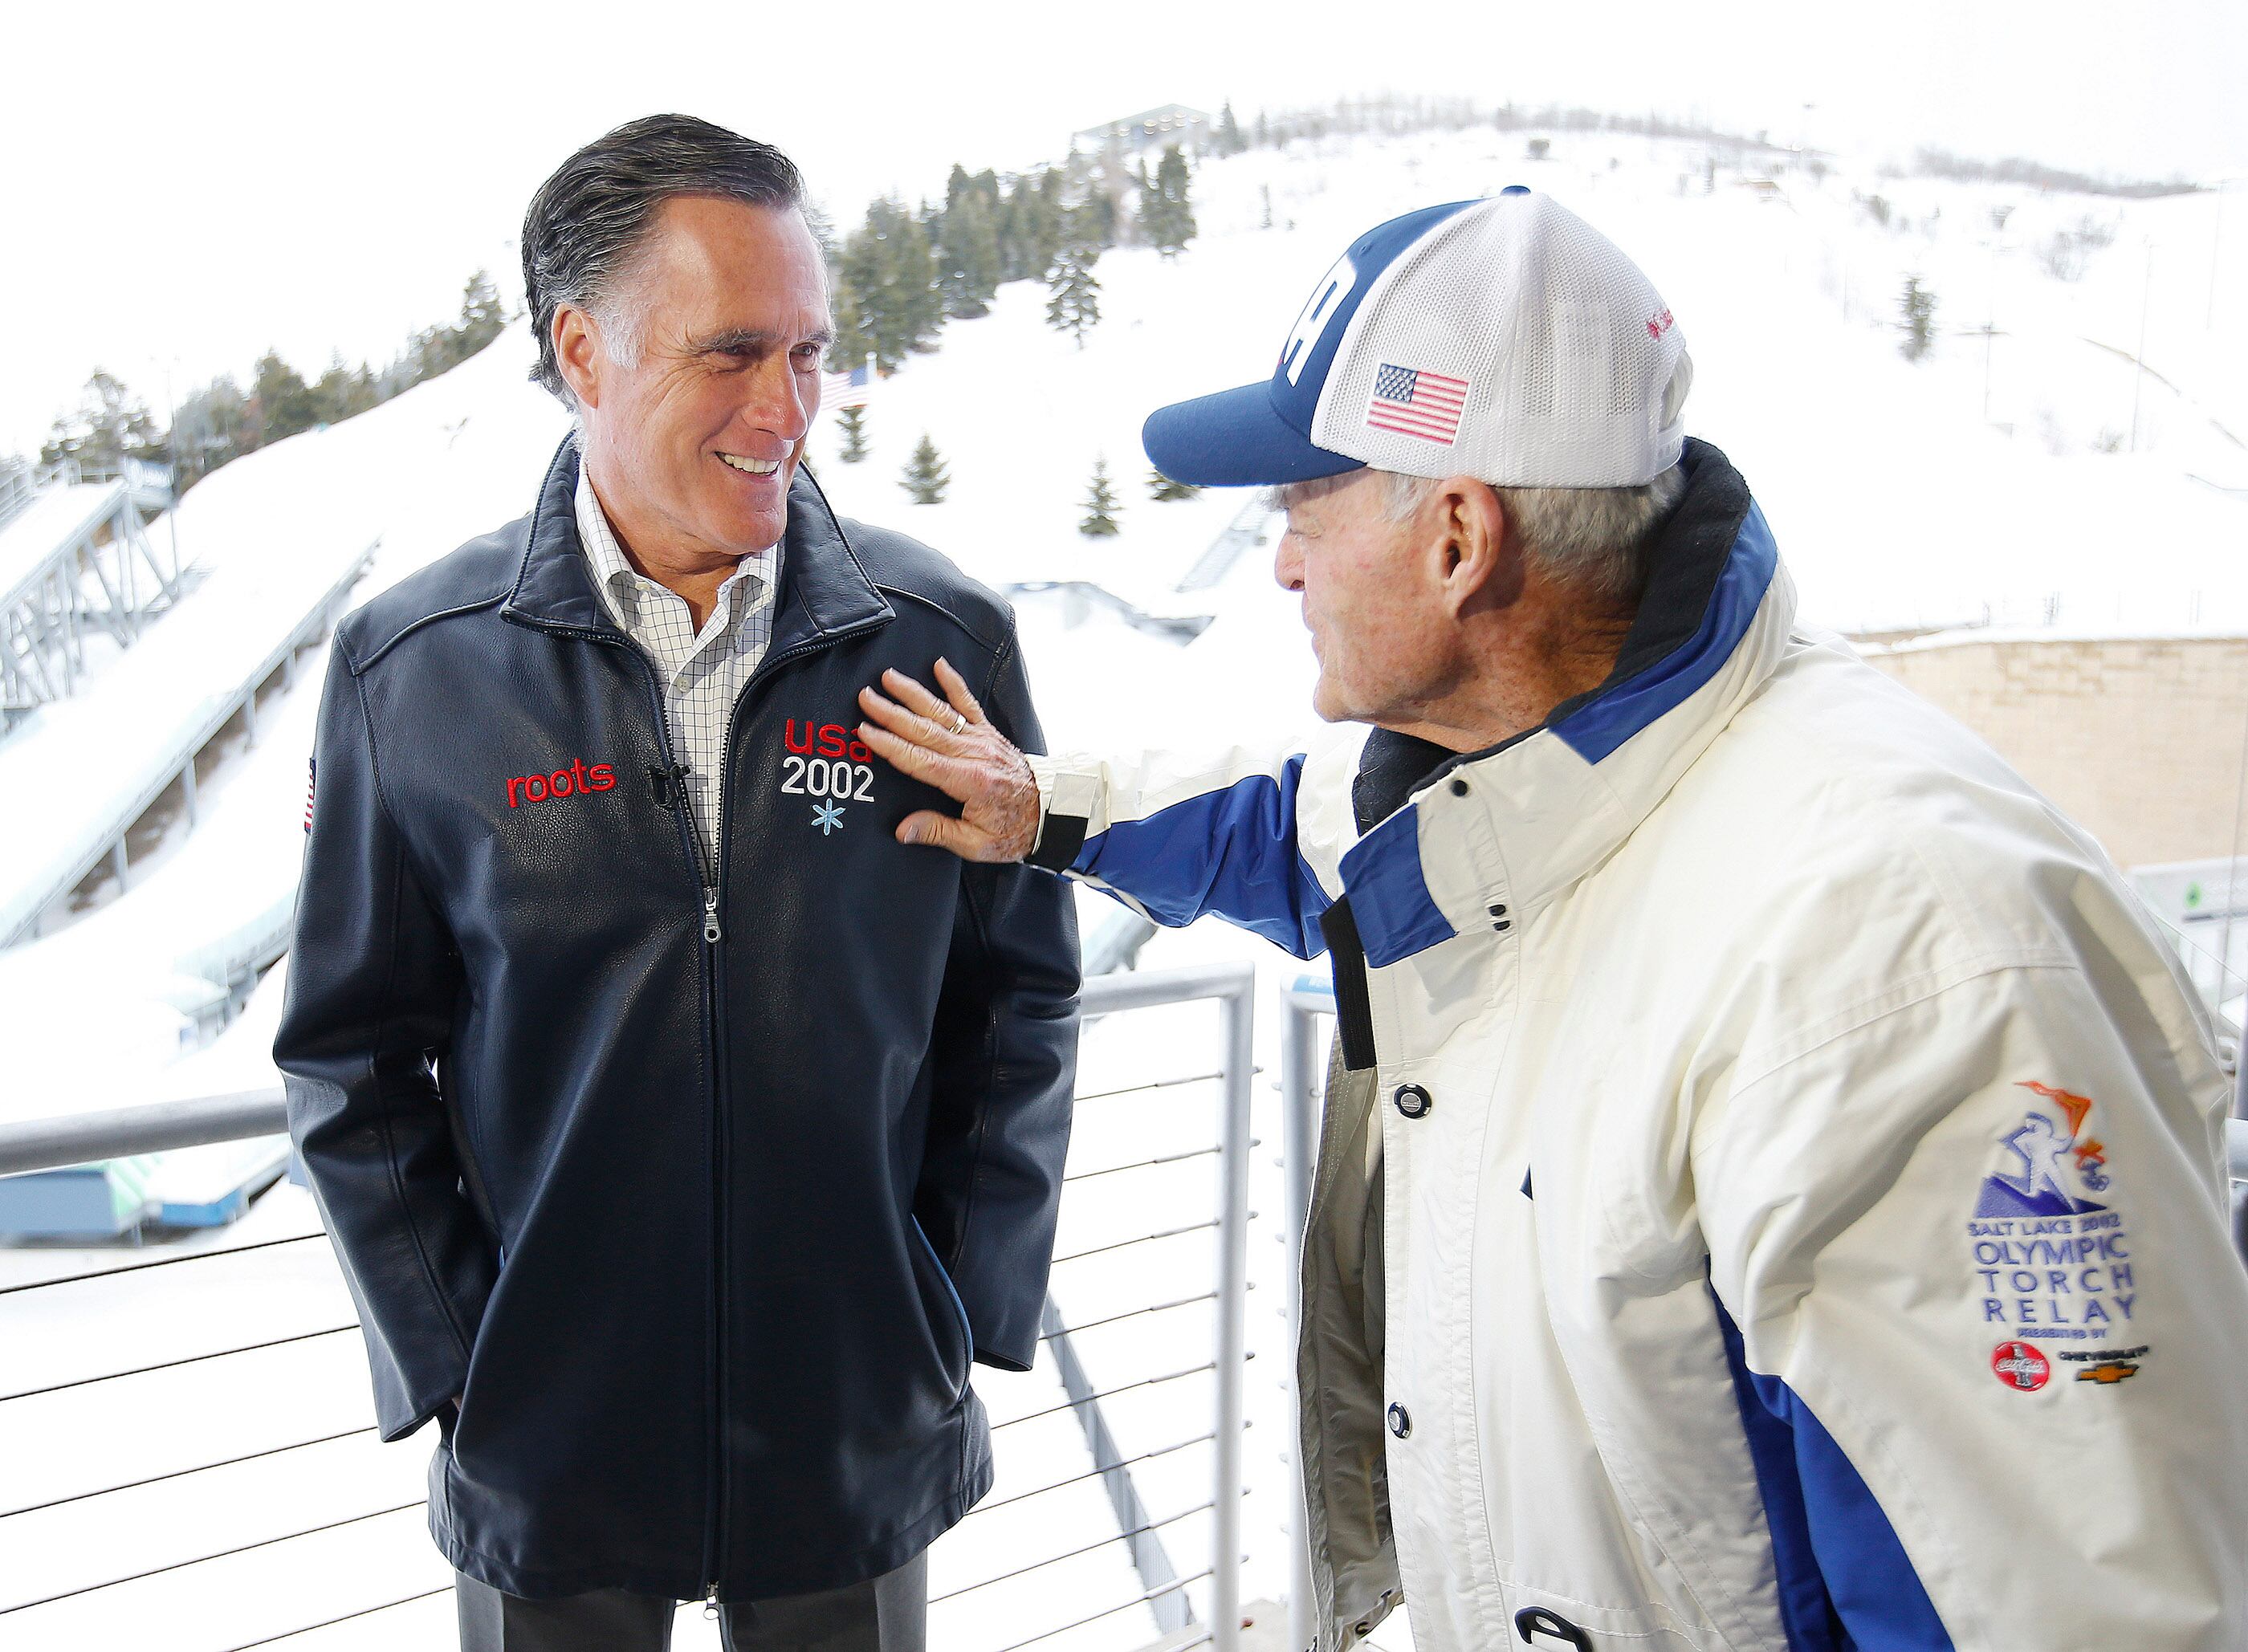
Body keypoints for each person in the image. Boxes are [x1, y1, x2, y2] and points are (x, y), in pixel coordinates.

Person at [858, 189, 2248, 1650]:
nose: (1279, 564)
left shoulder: (1901, 965)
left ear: (1459, 537)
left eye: (1302, 509)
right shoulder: (1518, 782)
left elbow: (2053, 1609)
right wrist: (1042, 805)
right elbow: (1282, 824)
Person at [275, 114, 1079, 1652]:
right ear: (582, 350)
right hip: (550, 1448)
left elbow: (1020, 992)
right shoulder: (412, 672)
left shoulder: (940, 642)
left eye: (811, 353)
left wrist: (949, 1314)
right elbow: (348, 1057)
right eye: (733, 354)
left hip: (855, 1429)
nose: (788, 409)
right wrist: (465, 1364)